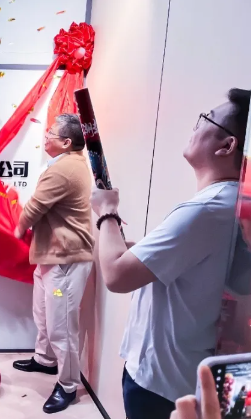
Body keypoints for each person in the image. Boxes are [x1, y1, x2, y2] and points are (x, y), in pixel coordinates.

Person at [90, 88, 251, 419]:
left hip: (162, 386)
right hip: (195, 381)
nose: (195, 126)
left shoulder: (204, 210)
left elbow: (117, 276)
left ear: (227, 145)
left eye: (205, 119)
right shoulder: (234, 204)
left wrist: (106, 211)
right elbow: (184, 264)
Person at [12, 113, 95, 414]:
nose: (45, 136)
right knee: (43, 314)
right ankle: (45, 359)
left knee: (61, 326)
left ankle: (68, 385)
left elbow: (35, 207)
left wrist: (17, 229)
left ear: (66, 142)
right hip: (50, 260)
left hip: (64, 265)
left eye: (51, 133)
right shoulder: (68, 164)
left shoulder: (64, 169)